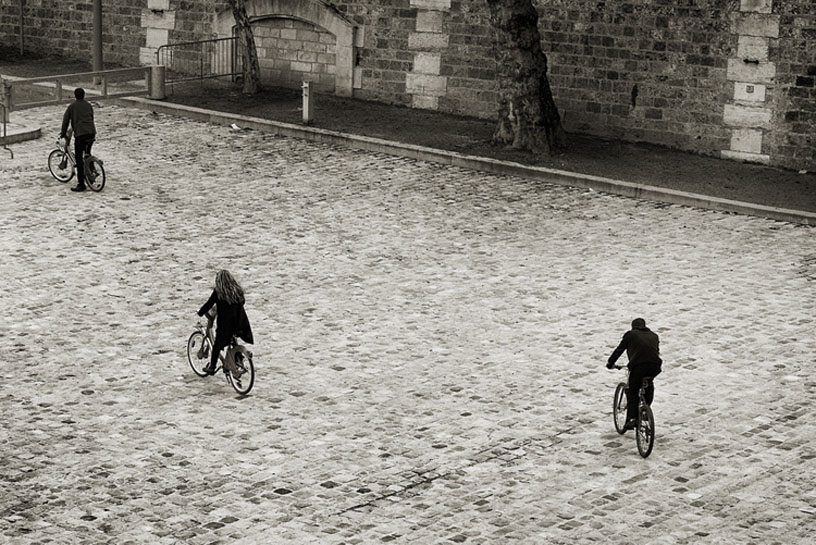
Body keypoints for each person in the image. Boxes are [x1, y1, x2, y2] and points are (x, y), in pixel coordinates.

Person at [606, 318, 662, 430]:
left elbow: (619, 350)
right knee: (648, 384)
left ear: (633, 327)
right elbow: (655, 351)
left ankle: (632, 418)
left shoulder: (630, 335)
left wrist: (610, 363)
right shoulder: (654, 335)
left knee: (632, 391)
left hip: (638, 366)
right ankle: (646, 409)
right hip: (655, 366)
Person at [197, 270, 254, 376]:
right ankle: (238, 359)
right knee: (234, 339)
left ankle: (212, 367)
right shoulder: (237, 290)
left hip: (226, 325)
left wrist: (200, 312)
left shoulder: (219, 292)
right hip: (240, 322)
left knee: (217, 346)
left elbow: (209, 304)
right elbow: (243, 301)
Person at [60, 87, 96, 192]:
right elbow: (91, 117)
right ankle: (92, 172)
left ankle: (81, 184)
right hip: (91, 132)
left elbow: (65, 121)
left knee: (79, 158)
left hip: (81, 134)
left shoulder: (72, 107)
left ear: (75, 96)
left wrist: (63, 133)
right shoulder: (88, 105)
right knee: (88, 152)